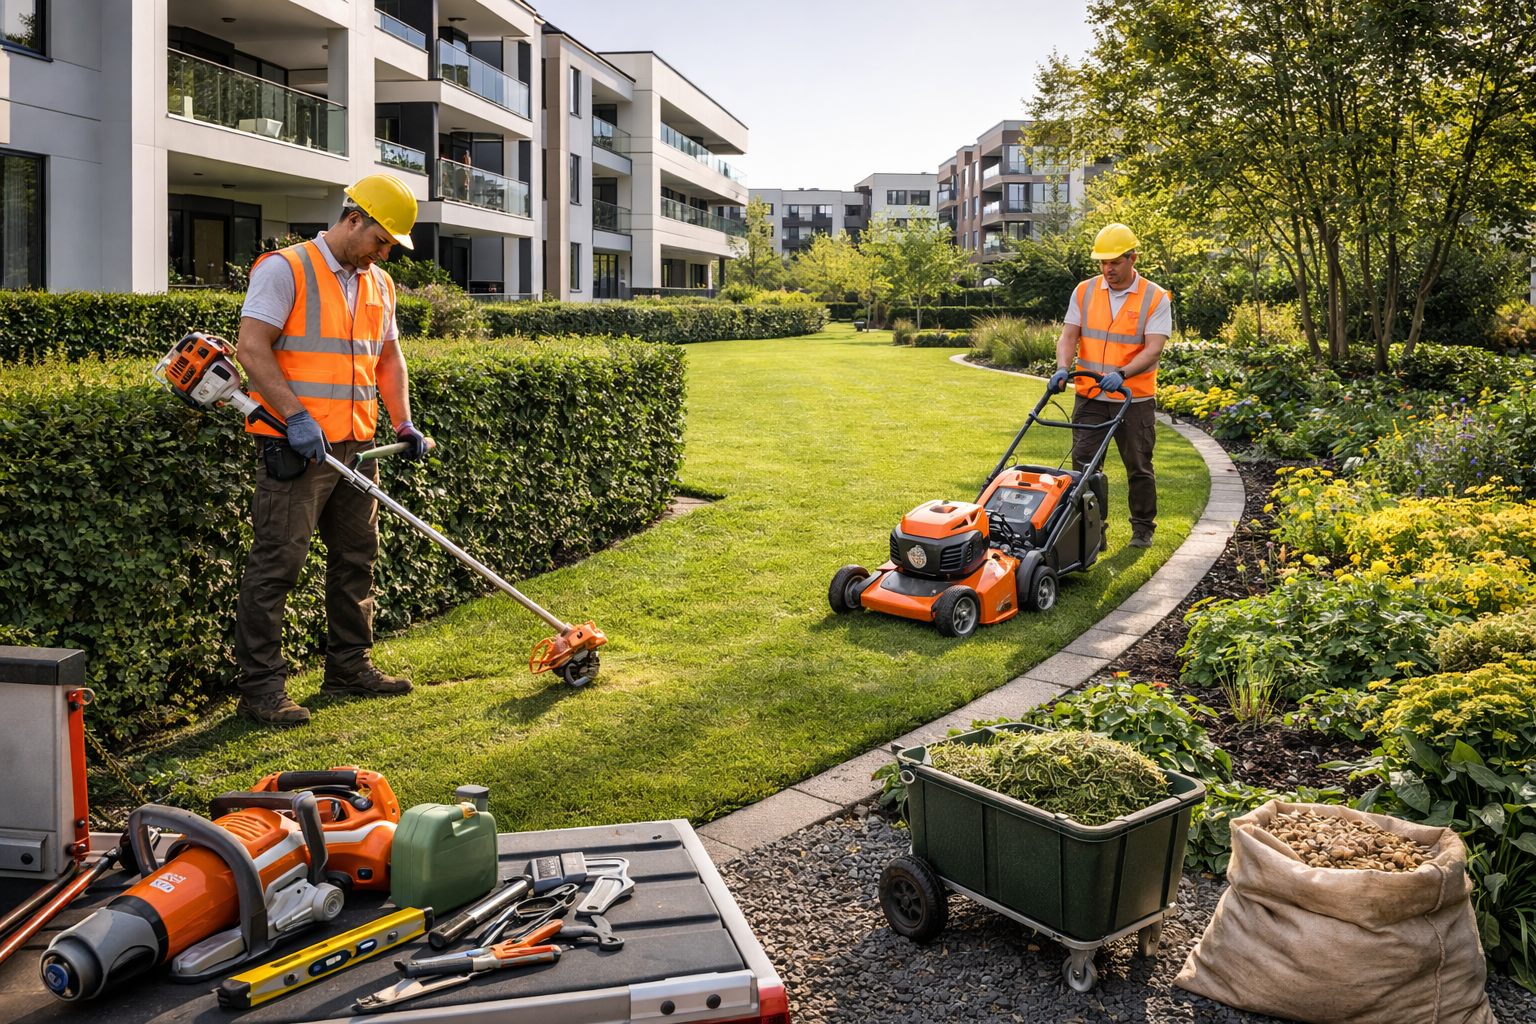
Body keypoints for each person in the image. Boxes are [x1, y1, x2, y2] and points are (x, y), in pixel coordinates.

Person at [231, 174, 429, 726]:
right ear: (354, 219)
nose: (384, 252)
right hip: (295, 448)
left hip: (356, 446)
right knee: (277, 566)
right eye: (382, 239)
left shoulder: (379, 284)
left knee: (356, 559)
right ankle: (262, 689)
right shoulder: (284, 268)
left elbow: (388, 360)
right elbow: (252, 347)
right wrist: (295, 415)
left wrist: (404, 422)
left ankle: (349, 665)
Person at [1046, 223, 1172, 549]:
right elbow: (1068, 335)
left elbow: (1153, 348)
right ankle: (1094, 531)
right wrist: (1063, 368)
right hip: (1090, 396)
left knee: (1139, 467)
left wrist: (1123, 373)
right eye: (1103, 262)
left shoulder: (1155, 297)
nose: (1108, 269)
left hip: (1134, 398)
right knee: (1084, 468)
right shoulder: (1085, 291)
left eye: (1114, 261)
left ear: (1132, 258)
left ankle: (1142, 529)